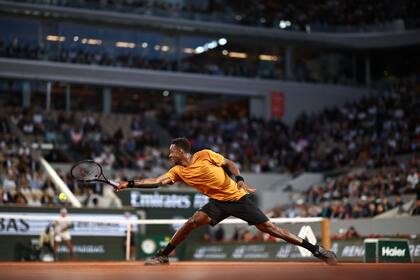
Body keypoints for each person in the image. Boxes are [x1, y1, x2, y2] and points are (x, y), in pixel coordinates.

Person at [116, 137, 337, 265]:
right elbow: (156, 181)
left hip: (238, 198)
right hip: (217, 203)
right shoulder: (177, 171)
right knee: (192, 222)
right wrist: (130, 183)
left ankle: (316, 250)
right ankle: (163, 255)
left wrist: (239, 179)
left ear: (182, 150)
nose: (169, 155)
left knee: (270, 228)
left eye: (172, 152)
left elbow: (230, 164)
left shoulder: (204, 155)